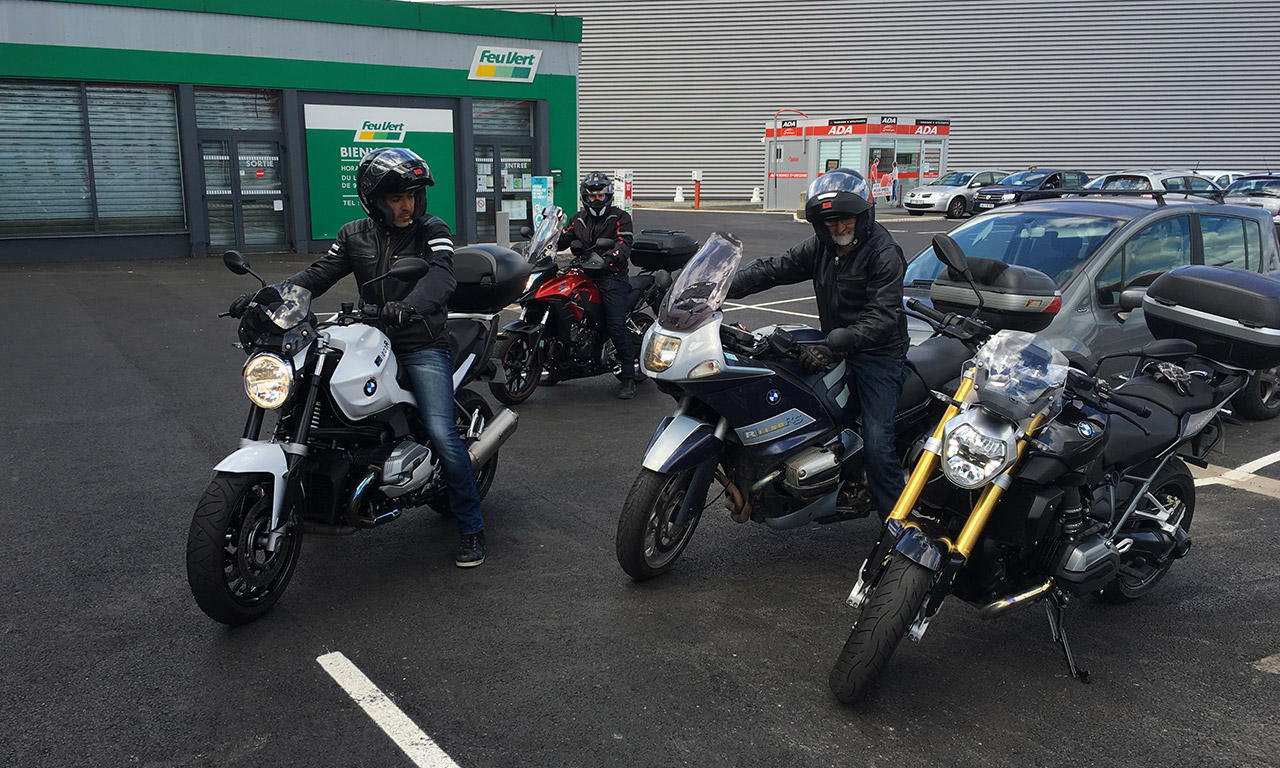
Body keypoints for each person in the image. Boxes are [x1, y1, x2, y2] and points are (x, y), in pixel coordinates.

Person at [229, 147, 487, 567]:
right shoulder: (353, 235)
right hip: (371, 335)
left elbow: (441, 274)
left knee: (442, 432)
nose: (407, 206)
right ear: (373, 201)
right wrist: (270, 296)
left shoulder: (432, 229)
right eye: (396, 198)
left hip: (421, 342)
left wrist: (411, 306)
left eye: (413, 196)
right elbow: (316, 275)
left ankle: (472, 527)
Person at [728, 168, 909, 518]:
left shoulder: (883, 252)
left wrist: (834, 346)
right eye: (830, 222)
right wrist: (716, 288)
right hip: (834, 342)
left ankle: (897, 526)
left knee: (877, 443)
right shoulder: (822, 248)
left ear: (863, 216)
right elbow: (773, 268)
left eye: (845, 220)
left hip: (878, 354)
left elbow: (882, 316)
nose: (838, 228)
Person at [557, 170, 637, 399]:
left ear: (608, 195)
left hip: (611, 276)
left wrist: (611, 257)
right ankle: (557, 368)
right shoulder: (578, 219)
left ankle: (629, 377)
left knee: (616, 326)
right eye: (592, 196)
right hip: (583, 273)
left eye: (600, 195)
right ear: (585, 197)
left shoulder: (620, 217)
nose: (596, 200)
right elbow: (562, 240)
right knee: (560, 311)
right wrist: (545, 240)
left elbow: (624, 243)